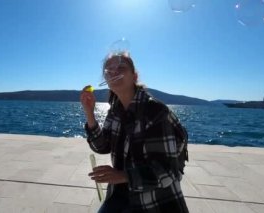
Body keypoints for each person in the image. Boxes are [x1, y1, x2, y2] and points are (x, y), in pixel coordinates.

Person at [80, 52, 189, 212]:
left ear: (134, 76)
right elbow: (102, 147)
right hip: (119, 195)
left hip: (155, 203)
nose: (114, 72)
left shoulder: (155, 111)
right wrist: (90, 113)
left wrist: (122, 176)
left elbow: (167, 171)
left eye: (121, 67)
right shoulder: (115, 111)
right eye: (108, 70)